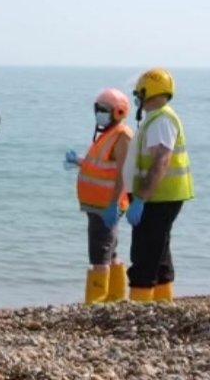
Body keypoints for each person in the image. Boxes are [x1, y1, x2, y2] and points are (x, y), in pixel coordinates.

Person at [123, 68, 193, 303]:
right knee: (160, 250)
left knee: (145, 251)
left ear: (148, 91)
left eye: (139, 93)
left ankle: (140, 303)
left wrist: (141, 198)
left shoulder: (161, 120)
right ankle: (164, 302)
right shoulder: (158, 118)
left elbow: (161, 160)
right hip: (161, 196)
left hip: (159, 198)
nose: (137, 99)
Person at [64, 89, 133, 304]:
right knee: (110, 251)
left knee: (100, 254)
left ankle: (97, 301)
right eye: (97, 110)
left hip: (106, 206)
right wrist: (79, 162)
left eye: (103, 110)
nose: (99, 114)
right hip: (98, 205)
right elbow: (102, 167)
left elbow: (124, 172)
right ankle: (114, 297)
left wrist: (113, 204)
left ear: (118, 112)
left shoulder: (121, 136)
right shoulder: (108, 135)